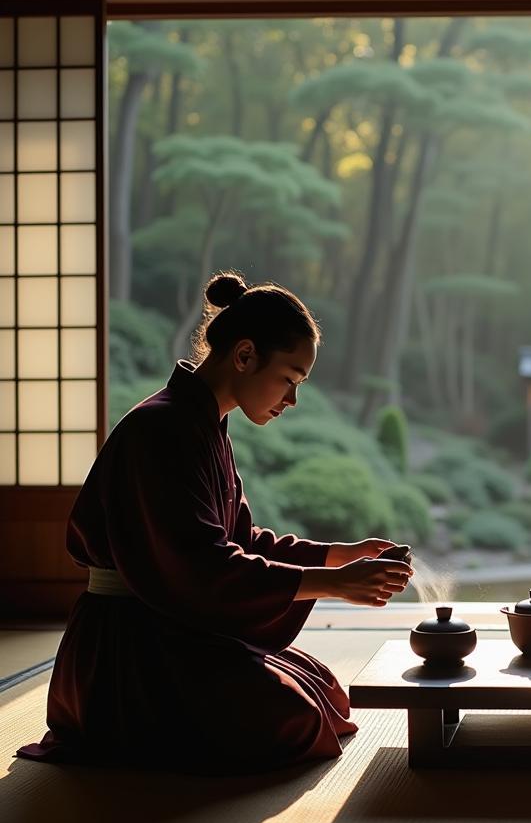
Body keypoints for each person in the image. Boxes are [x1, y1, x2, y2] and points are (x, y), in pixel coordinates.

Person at [16, 270, 415, 776]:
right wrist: (331, 584)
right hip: (129, 647)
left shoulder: (202, 425)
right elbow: (201, 564)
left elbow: (240, 538)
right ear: (245, 355)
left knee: (323, 692)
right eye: (290, 379)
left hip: (170, 621)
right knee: (296, 718)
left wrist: (332, 555)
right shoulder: (161, 427)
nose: (292, 400)